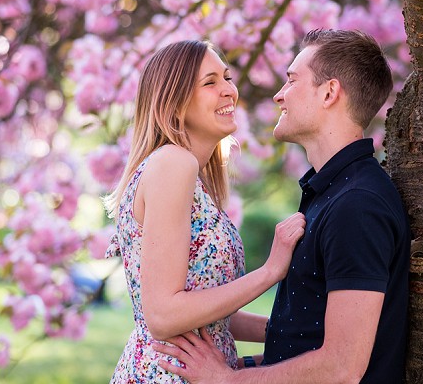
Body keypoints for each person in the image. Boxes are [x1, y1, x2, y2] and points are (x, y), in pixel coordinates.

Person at [153, 30, 412, 383]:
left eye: (291, 80)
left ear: (329, 93)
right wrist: (239, 367)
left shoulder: (357, 205)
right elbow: (305, 338)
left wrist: (227, 380)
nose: (278, 95)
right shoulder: (331, 193)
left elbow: (342, 367)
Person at [104, 40, 307, 383]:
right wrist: (270, 271)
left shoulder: (190, 176)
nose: (229, 90)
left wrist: (296, 334)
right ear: (175, 104)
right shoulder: (173, 163)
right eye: (210, 82)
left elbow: (212, 319)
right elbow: (164, 316)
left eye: (226, 77)